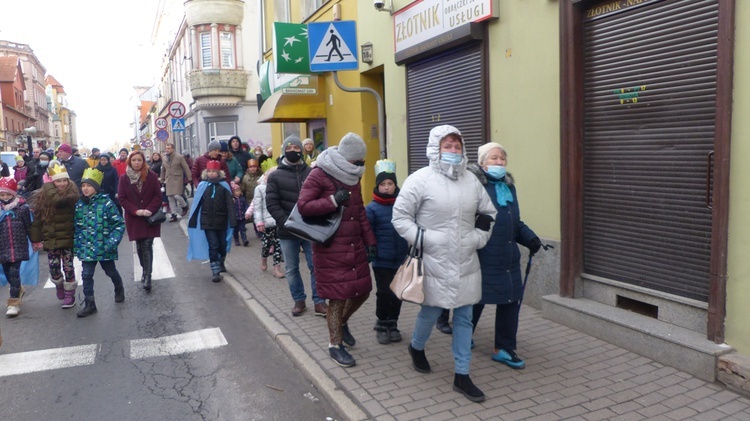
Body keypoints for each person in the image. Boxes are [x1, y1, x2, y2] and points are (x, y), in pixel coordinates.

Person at [392, 124, 496, 403]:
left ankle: (462, 374)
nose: (453, 150)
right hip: (434, 260)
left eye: (457, 146)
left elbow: (488, 213)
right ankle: (416, 347)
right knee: (430, 311)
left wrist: (477, 238)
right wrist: (424, 239)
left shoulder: (472, 181)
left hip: (465, 260)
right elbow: (400, 216)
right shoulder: (420, 179)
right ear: (436, 148)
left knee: (464, 317)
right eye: (447, 146)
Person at [297, 133, 376, 368]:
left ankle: (341, 323)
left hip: (353, 244)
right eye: (358, 162)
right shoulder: (319, 174)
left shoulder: (353, 177)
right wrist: (332, 201)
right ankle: (335, 345)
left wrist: (370, 241)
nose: (360, 166)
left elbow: (360, 211)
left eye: (362, 162)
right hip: (330, 246)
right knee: (338, 297)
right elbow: (304, 206)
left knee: (362, 291)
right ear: (345, 158)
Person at [469, 143, 542, 369]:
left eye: (502, 158)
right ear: (482, 163)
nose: (499, 162)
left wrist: (530, 238)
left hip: (508, 256)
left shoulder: (509, 188)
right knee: (475, 299)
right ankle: (463, 334)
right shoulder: (473, 186)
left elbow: (514, 221)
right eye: (493, 158)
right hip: (483, 253)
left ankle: (504, 348)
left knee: (511, 300)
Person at [266, 135, 327, 317]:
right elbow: (272, 203)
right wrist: (287, 222)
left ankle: (319, 301)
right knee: (292, 269)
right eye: (289, 148)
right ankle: (299, 301)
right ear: (284, 150)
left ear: (302, 150)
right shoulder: (275, 175)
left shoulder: (312, 173)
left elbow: (319, 199)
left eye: (297, 148)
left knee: (315, 265)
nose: (293, 151)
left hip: (309, 229)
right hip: (287, 230)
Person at [74, 168, 126, 317]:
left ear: (95, 187)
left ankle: (119, 287)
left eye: (88, 186)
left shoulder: (107, 203)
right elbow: (77, 227)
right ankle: (90, 304)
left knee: (110, 271)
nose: (85, 188)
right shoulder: (79, 205)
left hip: (104, 247)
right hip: (86, 248)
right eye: (83, 186)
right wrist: (77, 245)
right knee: (86, 275)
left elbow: (119, 224)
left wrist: (111, 243)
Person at [366, 170, 409, 345]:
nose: (386, 187)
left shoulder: (403, 205)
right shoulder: (371, 208)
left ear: (395, 185)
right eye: (383, 184)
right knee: (384, 292)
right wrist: (370, 251)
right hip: (382, 260)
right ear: (377, 186)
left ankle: (393, 323)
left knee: (398, 293)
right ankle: (381, 324)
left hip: (400, 258)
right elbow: (367, 233)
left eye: (390, 184)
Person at [29, 161, 80, 308]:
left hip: (68, 239)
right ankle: (58, 284)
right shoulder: (43, 198)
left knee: (69, 267)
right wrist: (36, 239)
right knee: (54, 269)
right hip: (51, 240)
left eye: (65, 180)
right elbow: (38, 221)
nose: (62, 184)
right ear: (52, 182)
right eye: (58, 181)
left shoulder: (71, 195)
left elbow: (57, 200)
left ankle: (70, 295)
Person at [118, 151, 162, 292]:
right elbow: (122, 198)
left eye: (139, 160)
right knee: (139, 245)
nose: (137, 162)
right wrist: (136, 211)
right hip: (134, 217)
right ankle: (144, 270)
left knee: (147, 245)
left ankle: (148, 276)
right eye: (134, 160)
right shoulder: (124, 179)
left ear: (144, 162)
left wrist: (149, 209)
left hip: (150, 216)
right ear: (130, 162)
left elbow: (158, 195)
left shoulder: (152, 176)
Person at [187, 160, 236, 282]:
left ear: (219, 172)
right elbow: (197, 204)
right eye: (209, 171)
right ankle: (215, 270)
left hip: (222, 221)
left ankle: (221, 261)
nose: (211, 174)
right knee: (213, 245)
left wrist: (233, 220)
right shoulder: (203, 186)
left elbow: (229, 204)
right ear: (206, 172)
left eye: (214, 171)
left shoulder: (224, 186)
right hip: (207, 221)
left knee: (223, 244)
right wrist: (192, 220)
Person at [0, 177, 34, 317]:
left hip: (18, 246)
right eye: (2, 194)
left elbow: (29, 226)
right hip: (2, 247)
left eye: (8, 194)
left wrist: (35, 241)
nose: (5, 197)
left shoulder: (22, 208)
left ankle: (13, 303)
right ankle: (19, 289)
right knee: (8, 273)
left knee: (14, 273)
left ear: (14, 193)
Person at [251, 167, 284, 278]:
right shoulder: (260, 188)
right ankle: (264, 258)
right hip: (266, 223)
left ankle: (276, 268)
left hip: (278, 222)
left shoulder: (280, 187)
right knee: (266, 244)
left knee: (278, 245)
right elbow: (257, 207)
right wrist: (259, 222)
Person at [160, 143, 191, 222]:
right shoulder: (164, 158)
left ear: (173, 149)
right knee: (170, 197)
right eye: (166, 148)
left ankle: (185, 206)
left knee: (177, 195)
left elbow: (186, 168)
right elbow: (163, 170)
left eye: (169, 148)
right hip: (168, 179)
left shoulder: (179, 157)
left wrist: (190, 178)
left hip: (177, 179)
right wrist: (162, 179)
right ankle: (174, 215)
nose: (167, 150)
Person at [230, 182, 249, 246]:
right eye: (236, 191)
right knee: (235, 230)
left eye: (239, 190)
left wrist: (247, 212)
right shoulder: (232, 200)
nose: (238, 192)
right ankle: (236, 239)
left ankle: (244, 239)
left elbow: (246, 205)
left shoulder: (243, 198)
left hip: (242, 216)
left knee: (242, 229)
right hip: (235, 217)